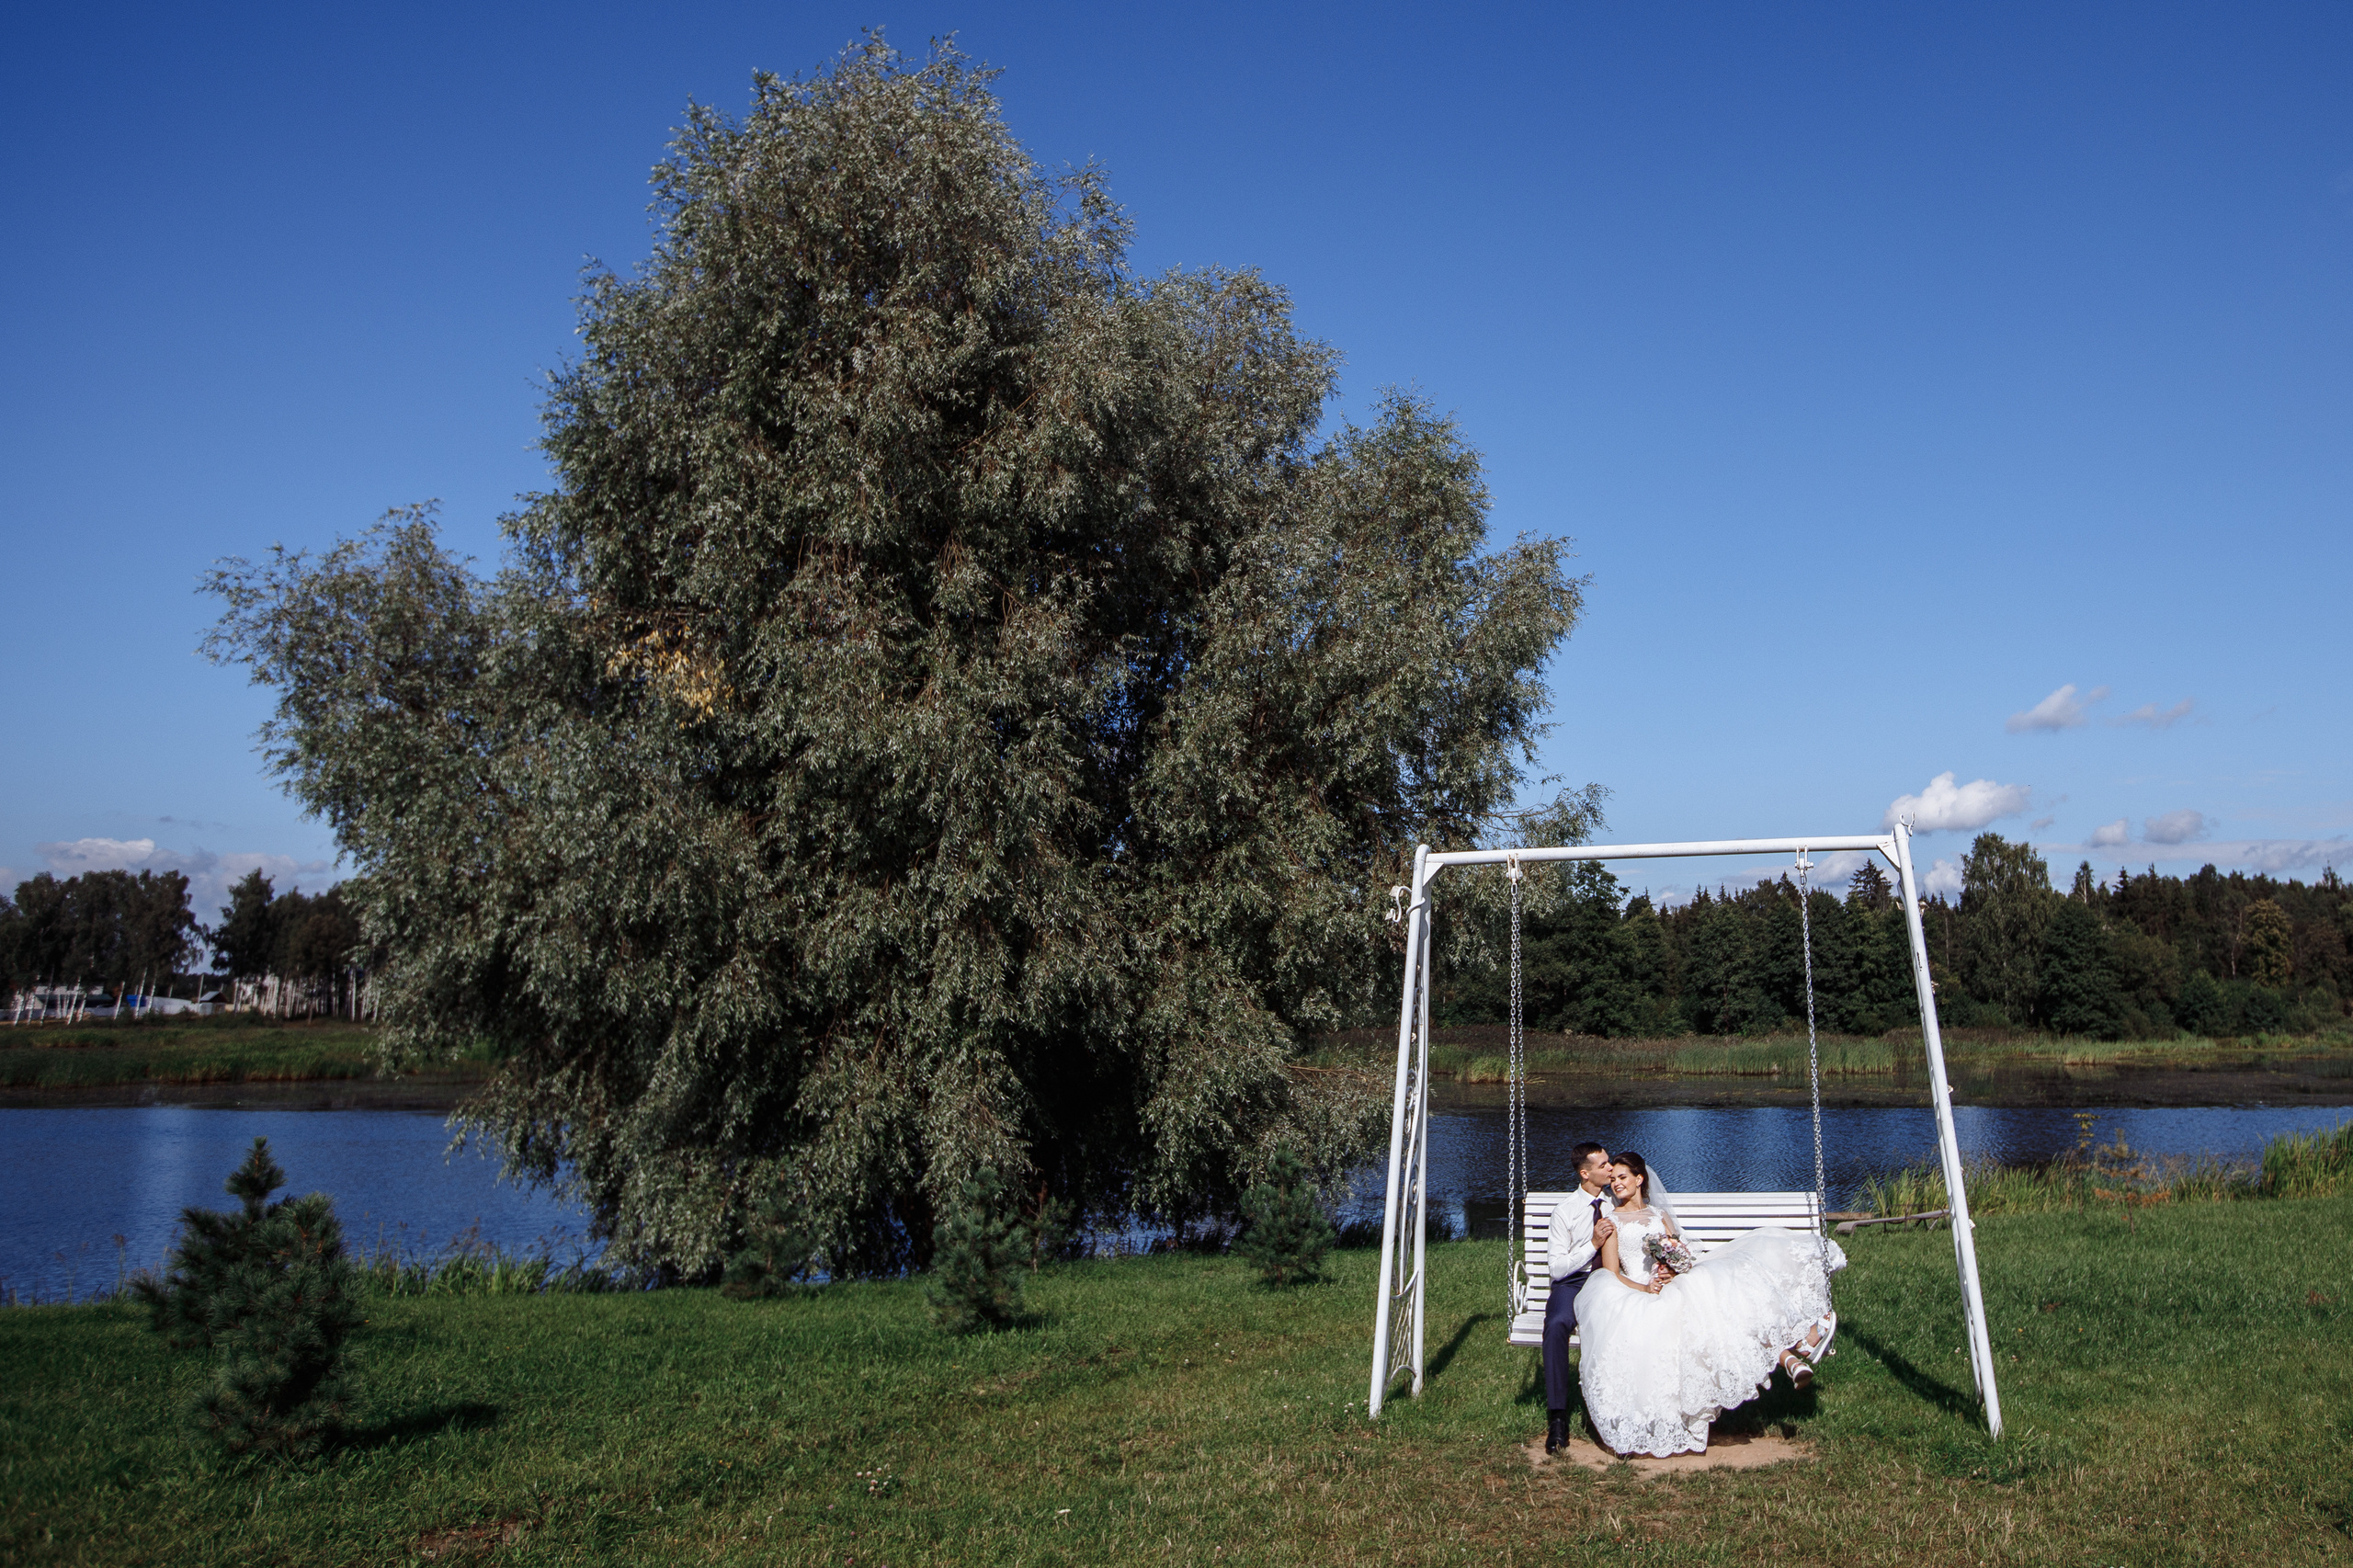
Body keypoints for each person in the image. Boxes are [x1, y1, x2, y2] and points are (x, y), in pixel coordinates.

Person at [1574, 1151, 1843, 1458]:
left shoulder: (1660, 1216)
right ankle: (1794, 1353)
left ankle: (1792, 1354)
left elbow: (1679, 1253)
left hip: (1672, 1285)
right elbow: (1611, 1274)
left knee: (1725, 1289)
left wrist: (1672, 1270)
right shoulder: (1611, 1222)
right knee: (1709, 1305)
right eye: (1612, 1180)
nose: (1616, 1185)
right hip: (1635, 1293)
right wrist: (1646, 1287)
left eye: (1622, 1178)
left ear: (1639, 1179)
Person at [1540, 1142, 1617, 1455]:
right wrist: (1592, 1245)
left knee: (1619, 1326)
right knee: (1557, 1324)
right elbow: (1557, 1268)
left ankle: (1613, 1412)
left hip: (1609, 1280)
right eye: (1603, 1166)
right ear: (1585, 1174)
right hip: (1573, 1282)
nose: (1611, 1169)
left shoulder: (1618, 1200)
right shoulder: (1565, 1211)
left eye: (1610, 1163)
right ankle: (1558, 1417)